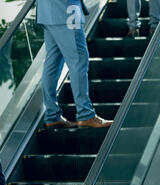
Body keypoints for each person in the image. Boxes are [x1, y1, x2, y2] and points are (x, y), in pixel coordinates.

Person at [37, 0, 113, 128]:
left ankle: (52, 115)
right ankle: (86, 115)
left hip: (47, 12)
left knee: (52, 64)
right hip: (67, 10)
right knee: (78, 61)